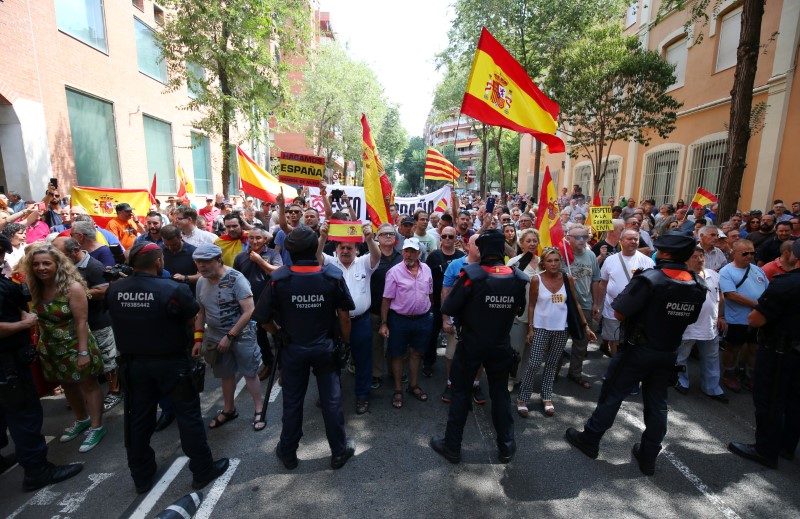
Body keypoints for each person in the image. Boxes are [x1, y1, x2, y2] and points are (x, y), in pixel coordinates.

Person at [565, 231, 707, 475]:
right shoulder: (697, 283)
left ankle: (591, 438)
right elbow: (691, 318)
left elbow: (620, 312)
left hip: (638, 349)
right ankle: (649, 454)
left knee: (612, 395)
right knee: (657, 404)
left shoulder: (651, 279)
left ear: (664, 253)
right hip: (668, 351)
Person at [104, 242, 229, 492]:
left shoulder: (115, 290)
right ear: (159, 262)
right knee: (188, 417)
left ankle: (141, 475)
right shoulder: (173, 289)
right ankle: (202, 470)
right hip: (171, 363)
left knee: (138, 420)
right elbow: (191, 316)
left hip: (134, 365)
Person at [252, 226, 357, 470]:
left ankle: (288, 452)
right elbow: (344, 315)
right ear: (315, 248)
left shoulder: (279, 280)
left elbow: (263, 318)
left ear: (289, 250)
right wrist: (346, 342)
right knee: (331, 402)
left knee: (292, 402)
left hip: (293, 349)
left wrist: (279, 334)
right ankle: (338, 452)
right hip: (325, 348)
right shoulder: (331, 276)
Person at [430, 229, 528, 464]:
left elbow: (449, 307)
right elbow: (520, 310)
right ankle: (506, 446)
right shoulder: (517, 278)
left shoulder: (471, 275)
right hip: (500, 344)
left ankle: (452, 446)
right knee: (500, 395)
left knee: (460, 394)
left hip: (472, 343)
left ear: (482, 250)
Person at [0, 234, 85, 492]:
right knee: (24, 418)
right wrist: (23, 324)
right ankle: (37, 471)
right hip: (8, 366)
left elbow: (81, 320)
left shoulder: (70, 286)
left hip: (13, 362)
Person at [21, 244, 107, 453]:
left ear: (58, 265)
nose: (41, 268)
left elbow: (81, 321)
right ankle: (82, 420)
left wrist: (83, 352)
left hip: (76, 343)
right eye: (36, 264)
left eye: (46, 263)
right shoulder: (36, 287)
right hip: (51, 347)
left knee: (88, 384)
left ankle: (97, 426)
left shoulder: (72, 287)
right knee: (67, 384)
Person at [728, 240, 800, 468]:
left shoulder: (786, 283)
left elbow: (756, 319)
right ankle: (786, 446)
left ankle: (766, 450)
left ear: (791, 255)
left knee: (769, 401)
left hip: (779, 352)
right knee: (795, 402)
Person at [192, 244, 264, 430]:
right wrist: (198, 339)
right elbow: (201, 312)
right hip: (215, 337)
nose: (201, 266)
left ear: (218, 260)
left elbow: (249, 311)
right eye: (198, 262)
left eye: (206, 262)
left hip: (241, 336)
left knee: (249, 373)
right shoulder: (201, 281)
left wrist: (230, 336)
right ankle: (229, 409)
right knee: (225, 374)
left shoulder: (236, 279)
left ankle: (259, 408)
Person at [517, 248, 595, 417]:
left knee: (552, 365)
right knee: (534, 363)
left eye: (556, 260)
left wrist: (586, 326)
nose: (553, 264)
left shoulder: (567, 278)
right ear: (543, 263)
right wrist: (530, 328)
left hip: (562, 328)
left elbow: (575, 303)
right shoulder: (536, 279)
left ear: (561, 262)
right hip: (540, 327)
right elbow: (531, 305)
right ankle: (523, 398)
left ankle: (546, 397)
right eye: (549, 261)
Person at [52, 237, 123, 411]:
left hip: (98, 320)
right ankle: (90, 392)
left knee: (108, 358)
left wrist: (78, 295)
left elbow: (103, 291)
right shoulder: (64, 268)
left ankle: (115, 391)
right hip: (78, 322)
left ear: (74, 251)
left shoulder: (93, 266)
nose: (57, 259)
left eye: (61, 255)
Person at [318, 222, 380, 414]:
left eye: (349, 248)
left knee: (363, 360)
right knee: (332, 360)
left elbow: (377, 256)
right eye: (341, 247)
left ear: (356, 250)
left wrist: (369, 239)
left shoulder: (364, 263)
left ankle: (362, 396)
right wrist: (322, 238)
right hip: (335, 323)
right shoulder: (329, 263)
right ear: (336, 250)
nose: (345, 251)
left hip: (360, 321)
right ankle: (331, 395)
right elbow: (316, 257)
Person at [379, 237, 434, 409]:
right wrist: (384, 323)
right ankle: (397, 389)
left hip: (422, 319)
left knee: (417, 353)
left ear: (419, 253)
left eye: (412, 251)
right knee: (397, 354)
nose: (408, 254)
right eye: (406, 251)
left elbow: (430, 293)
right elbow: (386, 300)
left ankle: (413, 385)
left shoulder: (427, 270)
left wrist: (430, 310)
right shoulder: (394, 272)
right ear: (402, 251)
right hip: (399, 320)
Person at [674, 247, 728, 402]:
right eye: (695, 257)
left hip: (710, 325)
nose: (699, 259)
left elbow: (720, 297)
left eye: (701, 256)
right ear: (686, 260)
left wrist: (721, 316)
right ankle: (681, 381)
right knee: (682, 355)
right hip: (688, 327)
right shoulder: (680, 278)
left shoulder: (714, 275)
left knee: (711, 357)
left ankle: (712, 387)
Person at [594, 229, 655, 357]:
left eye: (636, 239)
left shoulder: (647, 262)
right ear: (621, 241)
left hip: (637, 311)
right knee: (615, 340)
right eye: (629, 239)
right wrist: (597, 305)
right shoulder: (610, 260)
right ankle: (616, 367)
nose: (633, 241)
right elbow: (603, 283)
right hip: (613, 309)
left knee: (634, 340)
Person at [719, 240, 768, 393]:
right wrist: (756, 304)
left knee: (754, 347)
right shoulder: (726, 271)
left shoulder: (758, 270)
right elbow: (730, 294)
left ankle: (749, 375)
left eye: (752, 253)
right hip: (736, 319)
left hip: (756, 318)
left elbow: (767, 289)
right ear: (734, 253)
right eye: (745, 253)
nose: (749, 256)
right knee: (733, 347)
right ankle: (729, 373)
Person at [233, 226, 282, 380]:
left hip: (272, 302)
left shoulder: (273, 254)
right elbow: (236, 279)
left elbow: (277, 272)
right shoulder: (240, 257)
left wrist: (260, 261)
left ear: (264, 239)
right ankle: (268, 363)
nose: (254, 241)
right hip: (251, 306)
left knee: (277, 335)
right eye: (251, 238)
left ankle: (282, 367)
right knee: (260, 337)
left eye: (258, 238)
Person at [422, 226, 465, 379]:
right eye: (444, 236)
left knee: (457, 335)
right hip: (436, 302)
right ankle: (428, 363)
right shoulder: (434, 256)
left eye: (451, 237)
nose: (447, 239)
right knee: (432, 334)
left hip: (456, 303)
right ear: (440, 238)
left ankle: (456, 364)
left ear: (455, 238)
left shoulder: (462, 256)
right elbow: (426, 277)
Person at [564, 225, 601, 389]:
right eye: (577, 237)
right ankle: (552, 373)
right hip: (564, 305)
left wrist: (595, 303)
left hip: (585, 304)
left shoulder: (591, 255)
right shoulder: (561, 254)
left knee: (581, 342)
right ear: (569, 238)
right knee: (559, 342)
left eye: (584, 237)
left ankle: (575, 373)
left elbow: (595, 280)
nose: (582, 240)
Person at [505, 229, 540, 392]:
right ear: (522, 243)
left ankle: (523, 378)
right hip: (519, 313)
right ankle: (511, 378)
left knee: (531, 350)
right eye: (528, 241)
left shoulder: (544, 261)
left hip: (539, 314)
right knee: (516, 348)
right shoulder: (514, 262)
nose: (532, 243)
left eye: (535, 240)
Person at [369, 223, 402, 389]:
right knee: (376, 344)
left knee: (397, 342)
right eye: (384, 234)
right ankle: (376, 374)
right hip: (375, 308)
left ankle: (394, 372)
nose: (388, 236)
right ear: (377, 238)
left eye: (391, 233)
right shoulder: (371, 258)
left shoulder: (402, 257)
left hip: (398, 310)